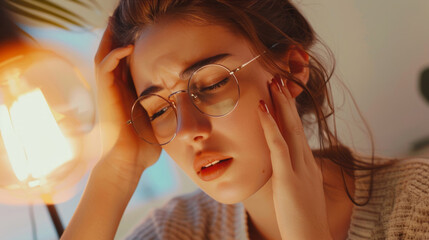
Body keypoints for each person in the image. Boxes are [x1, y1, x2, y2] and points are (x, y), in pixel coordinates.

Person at [62, 0, 429, 239]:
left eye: (212, 83)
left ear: (292, 70)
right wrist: (118, 169)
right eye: (158, 110)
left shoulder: (416, 205)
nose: (188, 130)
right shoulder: (178, 231)